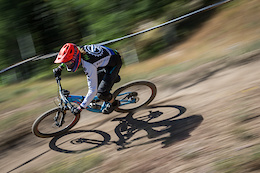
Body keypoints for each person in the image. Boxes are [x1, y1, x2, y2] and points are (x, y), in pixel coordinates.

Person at [53, 43, 122, 114]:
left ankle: (114, 103)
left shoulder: (88, 65)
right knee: (97, 84)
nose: (67, 64)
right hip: (107, 59)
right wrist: (60, 67)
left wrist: (80, 108)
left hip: (114, 63)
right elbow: (68, 58)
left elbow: (92, 90)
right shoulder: (78, 50)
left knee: (101, 93)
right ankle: (111, 79)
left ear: (75, 58)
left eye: (68, 63)